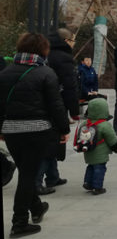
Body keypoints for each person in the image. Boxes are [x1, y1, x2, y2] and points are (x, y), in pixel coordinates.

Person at [0, 33, 70, 238]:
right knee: (28, 175)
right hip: (37, 130)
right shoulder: (46, 73)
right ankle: (19, 222)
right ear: (42, 50)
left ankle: (37, 208)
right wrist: (63, 130)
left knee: (26, 171)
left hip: (11, 131)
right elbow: (56, 105)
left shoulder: (5, 72)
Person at [36, 28, 80, 195]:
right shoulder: (64, 58)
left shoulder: (46, 53)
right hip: (56, 103)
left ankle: (53, 176)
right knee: (51, 143)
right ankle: (37, 181)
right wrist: (75, 110)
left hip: (42, 103)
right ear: (67, 41)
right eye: (73, 41)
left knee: (53, 142)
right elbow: (70, 86)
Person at [80, 97, 117, 195]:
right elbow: (112, 139)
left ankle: (88, 182)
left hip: (88, 150)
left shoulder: (85, 123)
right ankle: (97, 187)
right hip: (100, 153)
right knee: (99, 168)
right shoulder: (104, 125)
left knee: (90, 166)